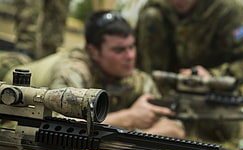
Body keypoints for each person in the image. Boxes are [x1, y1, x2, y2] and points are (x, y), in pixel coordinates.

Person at [4, 10, 185, 139]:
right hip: (7, 77)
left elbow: (175, 128)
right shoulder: (73, 70)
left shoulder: (136, 79)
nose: (130, 56)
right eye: (119, 50)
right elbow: (58, 126)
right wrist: (128, 118)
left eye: (132, 47)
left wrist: (139, 137)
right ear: (94, 52)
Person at [135, 0, 243, 141]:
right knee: (151, 16)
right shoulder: (154, 9)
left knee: (220, 138)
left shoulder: (226, 10)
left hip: (211, 99)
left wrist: (212, 77)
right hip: (164, 97)